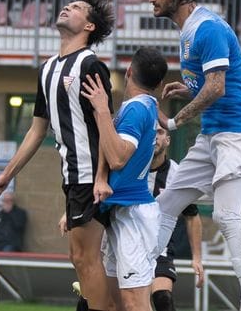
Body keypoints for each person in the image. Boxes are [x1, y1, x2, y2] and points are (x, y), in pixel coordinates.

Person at [149, 0, 241, 311]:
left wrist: (174, 122)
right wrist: (188, 91)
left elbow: (216, 88)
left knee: (225, 215)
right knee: (165, 205)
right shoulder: (187, 30)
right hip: (215, 132)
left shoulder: (208, 28)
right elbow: (213, 84)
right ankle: (142, 278)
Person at [0, 0, 115, 311]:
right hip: (72, 177)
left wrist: (101, 176)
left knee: (87, 258)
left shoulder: (91, 64)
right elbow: (36, 129)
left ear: (88, 25)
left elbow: (104, 127)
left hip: (91, 176)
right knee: (78, 257)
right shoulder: (46, 70)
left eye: (77, 8)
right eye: (67, 3)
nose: (67, 6)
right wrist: (7, 175)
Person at [76, 47, 167, 311]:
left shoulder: (137, 110)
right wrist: (100, 180)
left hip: (134, 216)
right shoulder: (143, 106)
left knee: (134, 302)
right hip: (120, 211)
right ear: (160, 84)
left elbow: (117, 157)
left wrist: (102, 110)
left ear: (128, 73)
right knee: (115, 300)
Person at [145, 124, 205, 311]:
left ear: (168, 140)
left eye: (160, 132)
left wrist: (196, 258)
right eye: (150, 132)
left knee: (163, 299)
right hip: (128, 243)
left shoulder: (177, 174)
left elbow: (192, 216)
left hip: (160, 248)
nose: (155, 137)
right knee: (94, 301)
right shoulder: (129, 167)